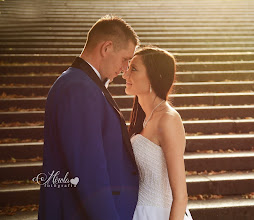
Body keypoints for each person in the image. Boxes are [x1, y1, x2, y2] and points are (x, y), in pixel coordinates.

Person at [38, 15, 140, 220]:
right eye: (125, 59)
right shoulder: (79, 89)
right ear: (106, 48)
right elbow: (89, 171)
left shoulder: (82, 84)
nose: (124, 69)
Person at [122, 46, 194, 220]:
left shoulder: (168, 119)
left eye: (134, 69)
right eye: (128, 67)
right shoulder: (145, 118)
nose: (125, 74)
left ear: (155, 77)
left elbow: (181, 196)